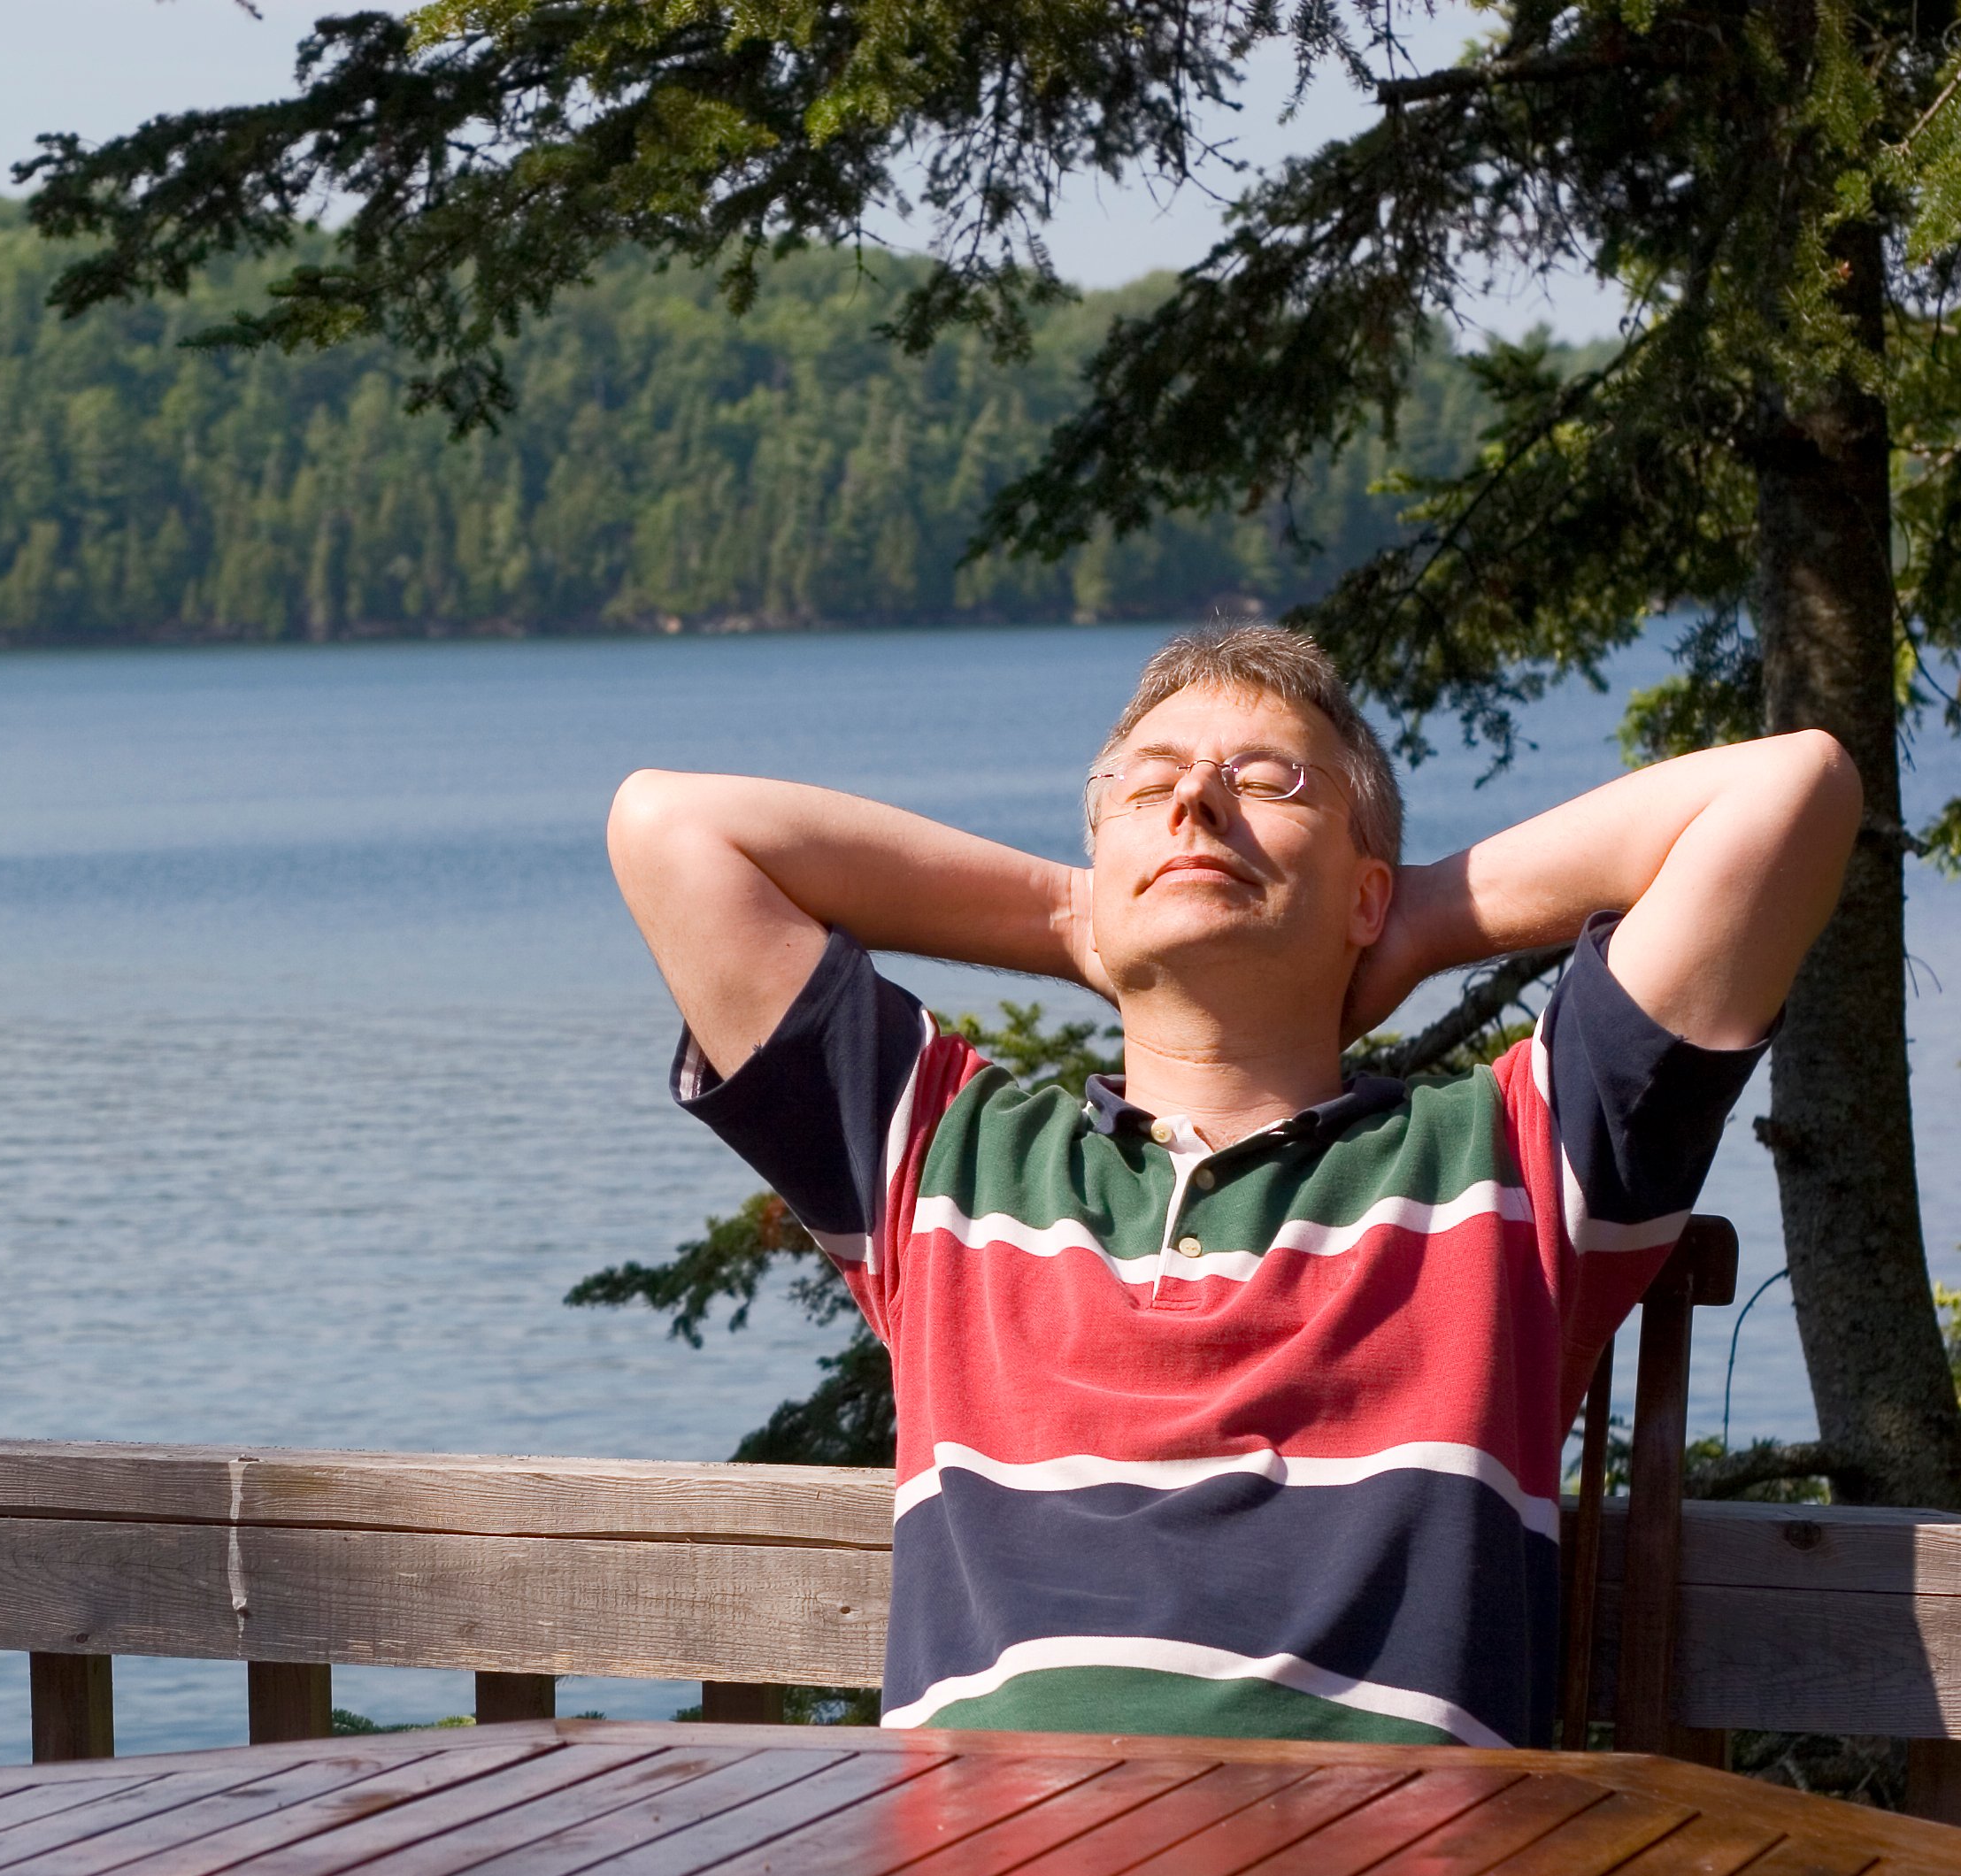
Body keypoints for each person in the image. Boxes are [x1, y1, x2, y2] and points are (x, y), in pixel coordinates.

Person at [606, 625, 1859, 1746]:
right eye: (1149, 787)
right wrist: (1064, 911)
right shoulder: (939, 1155)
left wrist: (1422, 922)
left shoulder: (1519, 1163)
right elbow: (671, 832)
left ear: (1363, 891)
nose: (1197, 799)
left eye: (1268, 781)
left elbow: (1788, 792)